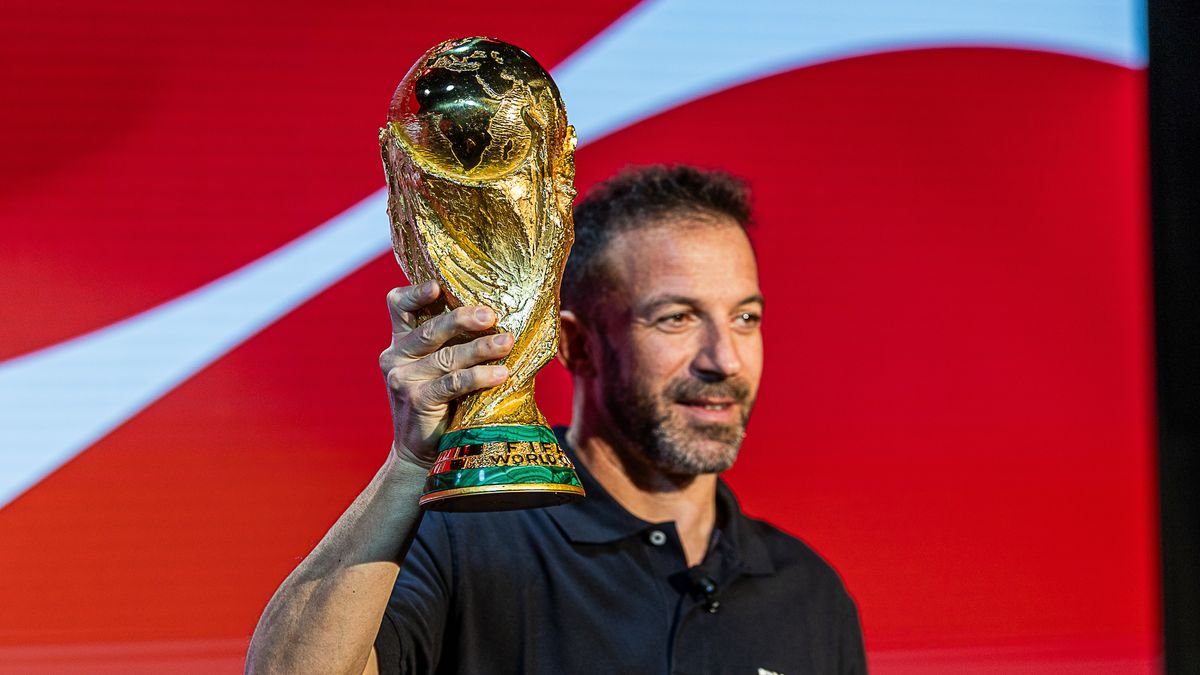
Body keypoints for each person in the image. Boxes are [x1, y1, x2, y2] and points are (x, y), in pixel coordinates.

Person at [246, 165, 867, 674]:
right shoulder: (466, 542)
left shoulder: (810, 591)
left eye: (746, 318)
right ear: (576, 345)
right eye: (676, 318)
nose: (724, 359)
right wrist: (411, 466)